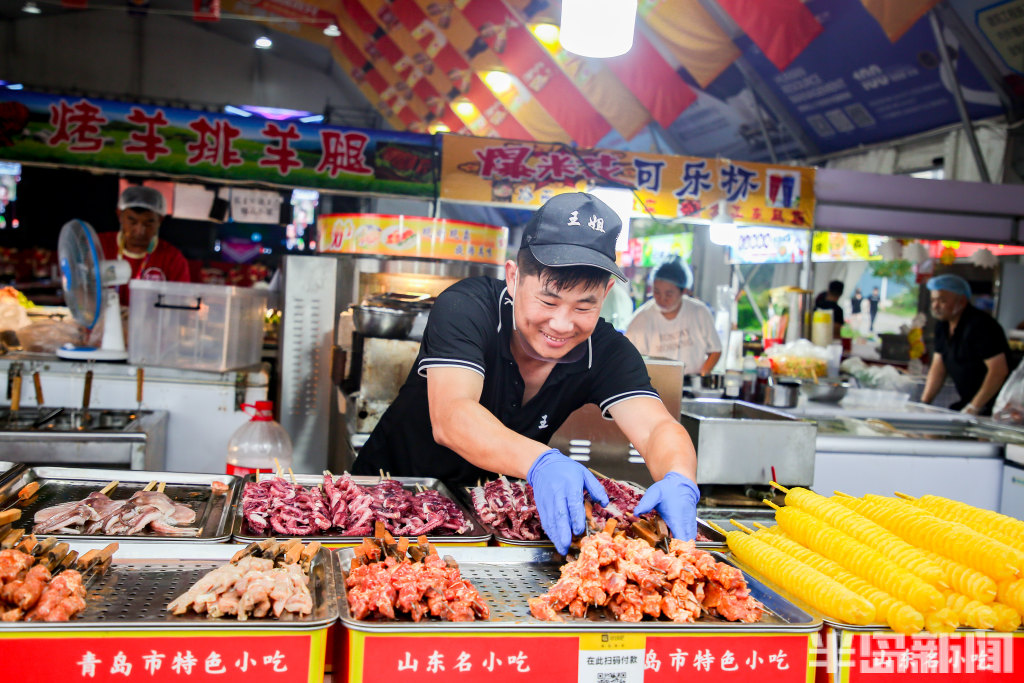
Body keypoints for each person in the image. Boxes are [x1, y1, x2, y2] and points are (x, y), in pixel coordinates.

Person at [351, 193, 700, 554]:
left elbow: (657, 426)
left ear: (606, 292)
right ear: (513, 278)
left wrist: (679, 479)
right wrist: (542, 462)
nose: (562, 325)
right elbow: (452, 415)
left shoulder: (606, 350)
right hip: (385, 505)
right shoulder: (467, 308)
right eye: (548, 301)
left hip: (495, 522)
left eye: (585, 305)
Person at [920, 274, 1010, 416]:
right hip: (968, 402)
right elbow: (938, 367)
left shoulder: (981, 325)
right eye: (933, 300)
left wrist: (974, 407)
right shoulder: (942, 326)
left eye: (942, 300)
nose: (935, 306)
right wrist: (924, 404)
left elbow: (999, 370)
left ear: (961, 301)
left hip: (997, 407)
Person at [624, 255, 722, 376]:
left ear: (684, 291)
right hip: (653, 386)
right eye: (657, 292)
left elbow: (715, 350)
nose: (662, 298)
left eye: (669, 294)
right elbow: (629, 361)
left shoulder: (699, 312)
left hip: (692, 383)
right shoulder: (640, 320)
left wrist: (701, 376)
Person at [99, 185, 190, 305]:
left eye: (149, 223)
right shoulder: (99, 245)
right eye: (132, 221)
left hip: (150, 323)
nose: (140, 230)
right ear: (119, 215)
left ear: (160, 220)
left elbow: (182, 302)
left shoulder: (173, 259)